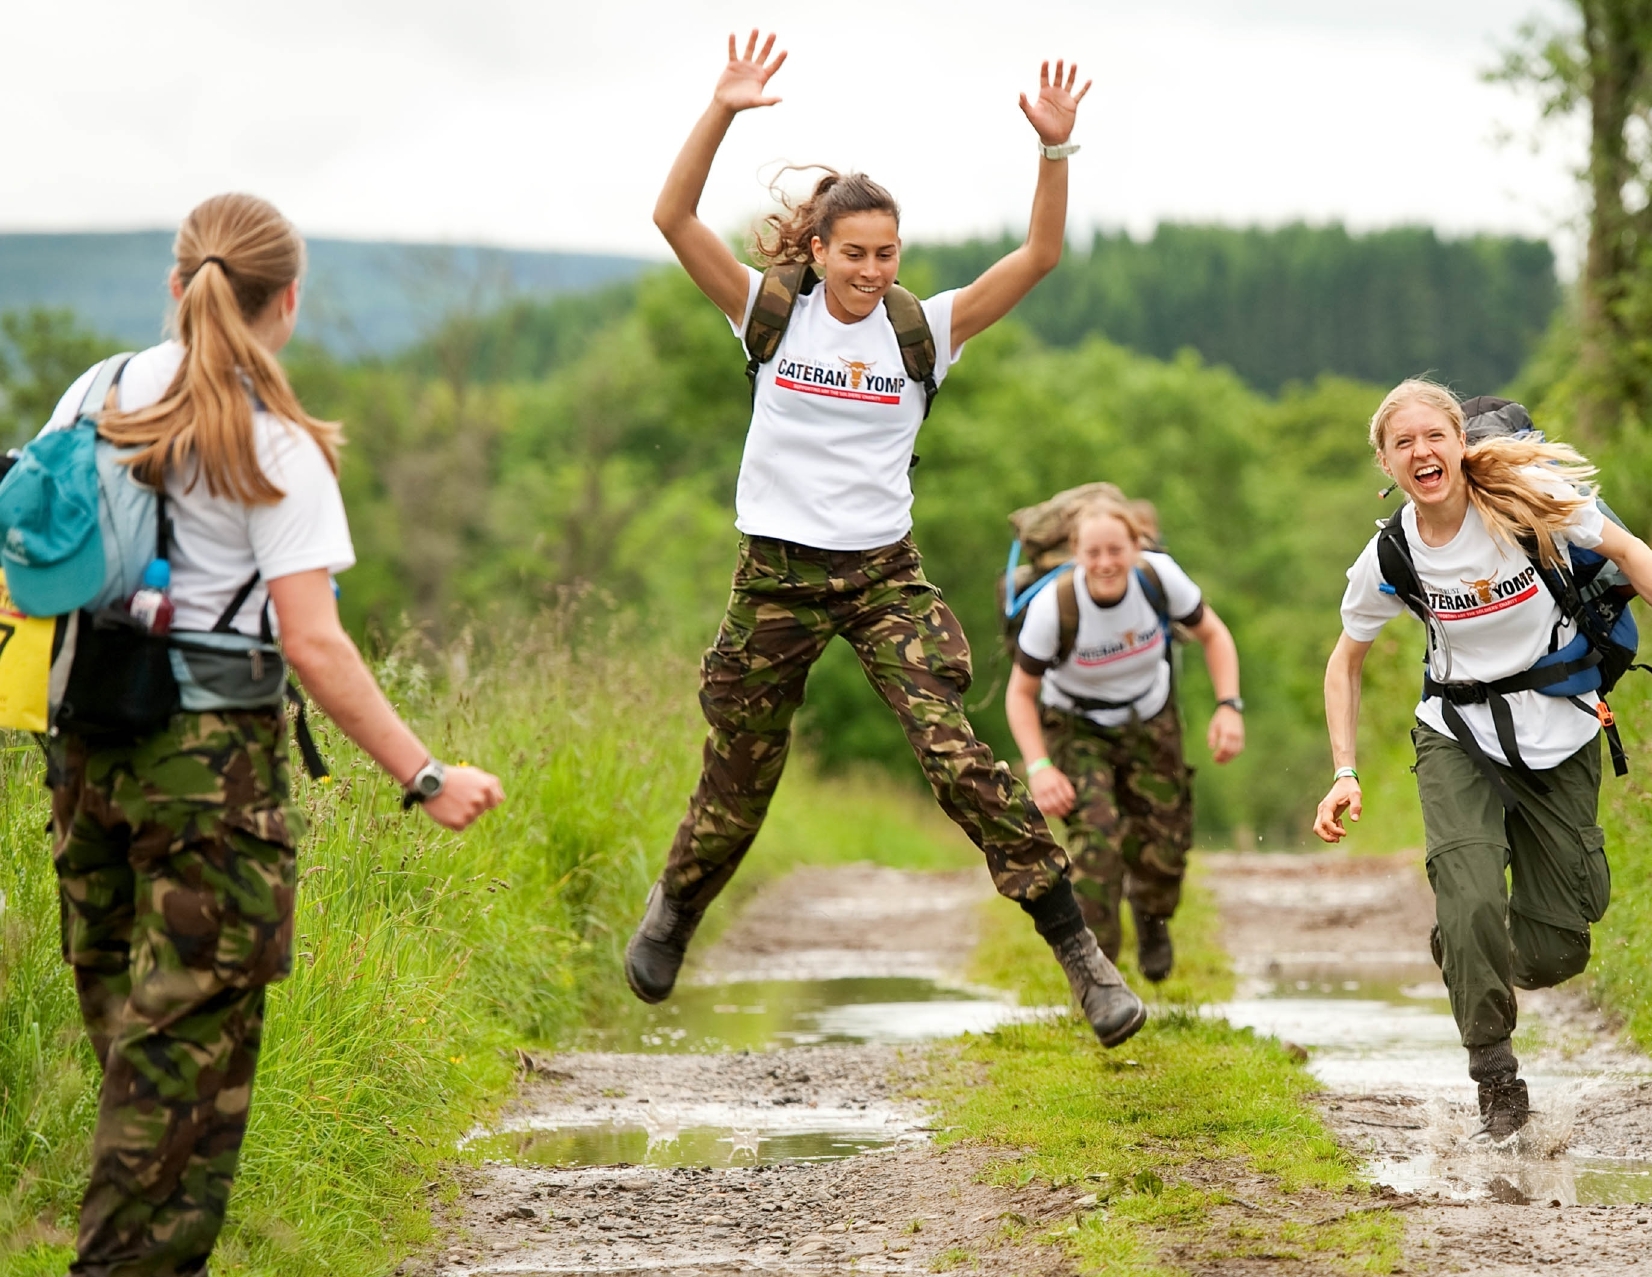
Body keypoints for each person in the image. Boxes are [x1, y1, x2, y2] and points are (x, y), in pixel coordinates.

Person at [626, 31, 1147, 1047]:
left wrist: (1054, 152)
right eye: (852, 253)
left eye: (885, 253)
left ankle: (1081, 956)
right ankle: (677, 905)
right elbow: (672, 217)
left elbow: (1040, 256)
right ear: (816, 251)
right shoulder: (770, 315)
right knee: (741, 774)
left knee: (957, 756)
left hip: (881, 578)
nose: (870, 270)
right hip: (774, 575)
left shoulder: (924, 330)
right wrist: (724, 110)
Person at [35, 193, 504, 1274]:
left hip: (88, 745)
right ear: (288, 301)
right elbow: (317, 646)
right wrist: (425, 773)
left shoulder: (92, 391)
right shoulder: (275, 440)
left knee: (129, 1032)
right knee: (185, 1055)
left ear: (176, 282)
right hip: (210, 770)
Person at [1312, 378, 1652, 1140]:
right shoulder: (1389, 552)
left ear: (1459, 443)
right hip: (1457, 732)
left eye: (1433, 436)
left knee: (1555, 949)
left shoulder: (1525, 497)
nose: (1421, 451)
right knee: (1470, 893)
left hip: (1562, 727)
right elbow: (1344, 662)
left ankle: (1464, 947)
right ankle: (1496, 1078)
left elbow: (1630, 549)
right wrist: (1345, 771)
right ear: (1385, 461)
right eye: (1402, 442)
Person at [1004, 495, 1244, 981]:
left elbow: (1214, 635)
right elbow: (1020, 694)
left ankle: (1153, 920)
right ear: (1077, 553)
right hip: (1077, 727)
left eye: (1116, 550)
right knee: (1097, 843)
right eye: (1093, 553)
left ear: (1136, 547)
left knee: (1165, 845)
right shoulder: (1055, 605)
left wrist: (1228, 707)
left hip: (1149, 717)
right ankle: (1099, 977)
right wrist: (1040, 767)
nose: (1106, 563)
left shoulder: (1159, 579)